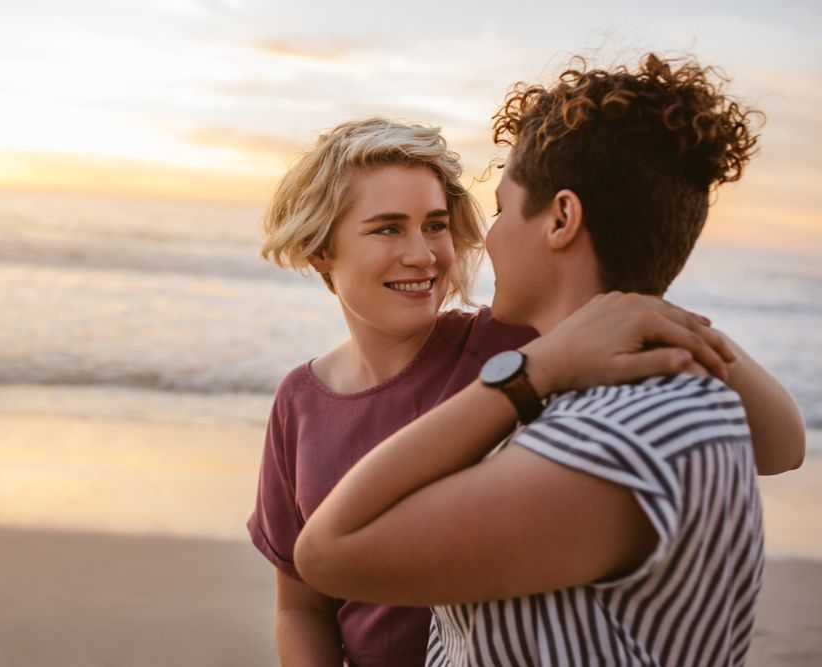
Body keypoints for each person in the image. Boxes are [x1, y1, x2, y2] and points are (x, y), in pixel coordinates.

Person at [292, 55, 805, 666]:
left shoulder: (608, 427)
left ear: (562, 218)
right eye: (386, 229)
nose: (483, 238)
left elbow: (327, 552)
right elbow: (302, 597)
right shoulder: (632, 393)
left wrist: (531, 372)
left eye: (504, 209)